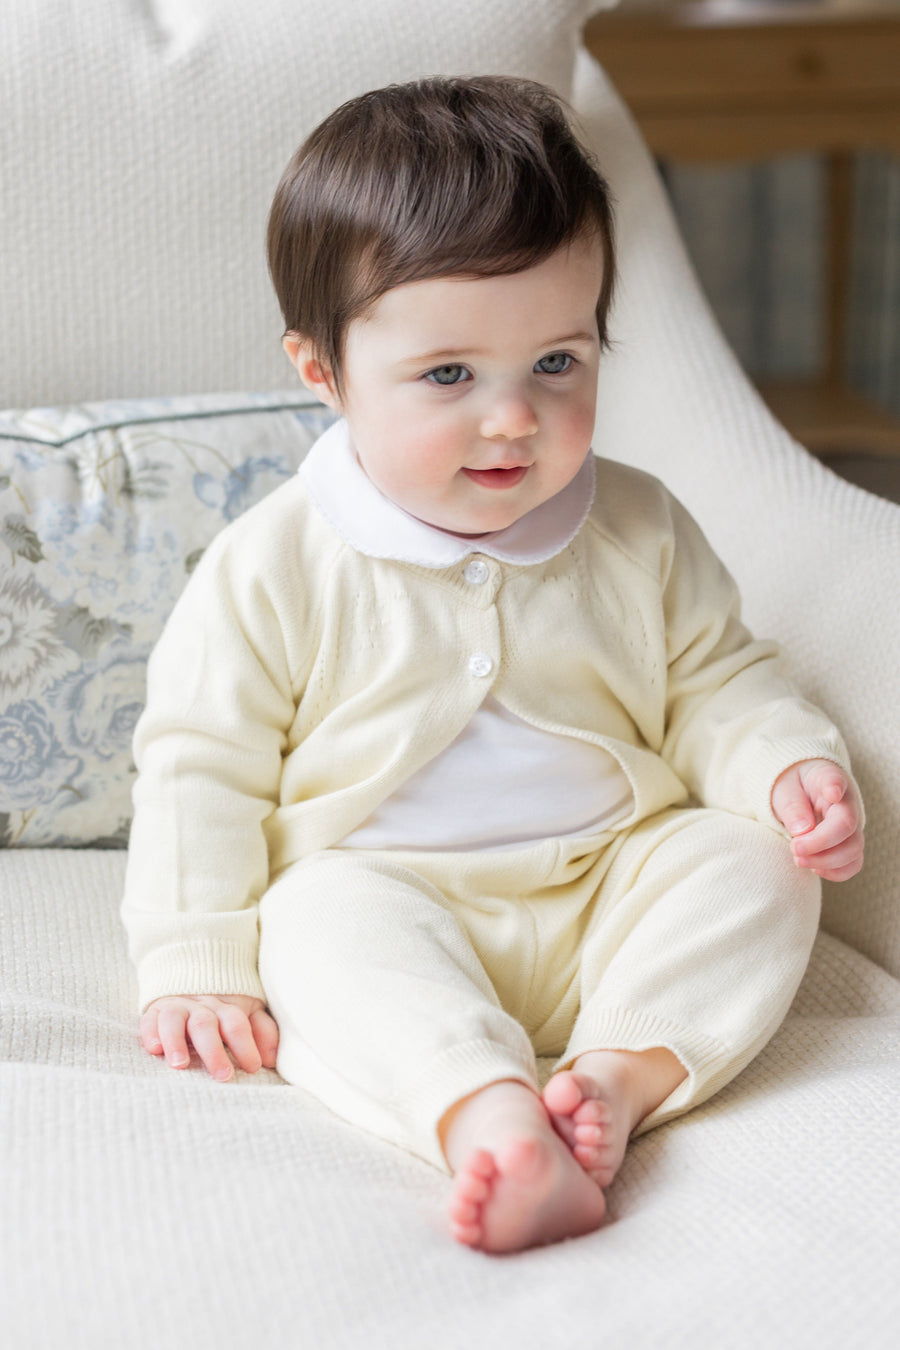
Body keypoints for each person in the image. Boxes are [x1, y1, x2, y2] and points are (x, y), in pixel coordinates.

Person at [122, 76, 864, 1254]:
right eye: (451, 377)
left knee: (755, 862)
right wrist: (194, 961)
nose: (513, 420)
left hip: (610, 880)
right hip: (395, 891)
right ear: (323, 371)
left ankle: (615, 1083)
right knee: (312, 921)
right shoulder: (276, 563)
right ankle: (490, 1120)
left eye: (559, 365)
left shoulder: (638, 525)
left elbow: (719, 679)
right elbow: (199, 767)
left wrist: (783, 768)